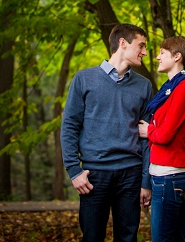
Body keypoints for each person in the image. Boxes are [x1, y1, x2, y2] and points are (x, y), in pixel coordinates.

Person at [61, 24, 153, 242]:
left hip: (131, 175)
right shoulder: (84, 79)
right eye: (141, 45)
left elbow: (147, 137)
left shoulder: (144, 86)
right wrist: (74, 170)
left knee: (128, 238)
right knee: (92, 238)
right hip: (94, 176)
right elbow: (69, 127)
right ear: (123, 43)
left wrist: (145, 181)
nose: (145, 52)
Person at [138, 36, 185, 242]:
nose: (157, 57)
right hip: (165, 173)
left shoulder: (184, 89)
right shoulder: (171, 88)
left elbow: (164, 135)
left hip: (169, 175)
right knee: (183, 237)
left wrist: (149, 132)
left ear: (177, 57)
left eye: (162, 53)